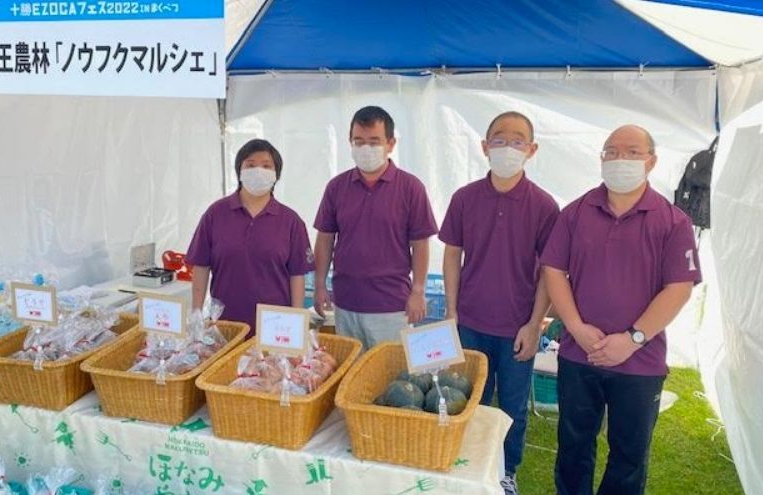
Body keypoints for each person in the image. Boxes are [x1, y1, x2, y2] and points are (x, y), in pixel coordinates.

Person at [541, 125, 702, 495]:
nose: (619, 159)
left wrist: (633, 339)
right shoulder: (576, 212)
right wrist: (575, 327)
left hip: (640, 362)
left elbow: (679, 287)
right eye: (611, 152)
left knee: (629, 456)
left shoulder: (673, 221)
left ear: (651, 161)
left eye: (631, 152)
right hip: (579, 355)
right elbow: (553, 270)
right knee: (573, 446)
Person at [438, 111, 559, 495]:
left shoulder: (544, 206)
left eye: (518, 140)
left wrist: (535, 323)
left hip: (517, 328)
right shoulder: (465, 198)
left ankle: (507, 470)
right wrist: (452, 311)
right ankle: (467, 467)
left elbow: (549, 272)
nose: (509, 147)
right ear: (485, 147)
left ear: (532, 149)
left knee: (512, 408)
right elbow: (452, 254)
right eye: (500, 139)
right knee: (467, 400)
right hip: (471, 321)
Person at [313, 106, 438, 349]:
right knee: (352, 369)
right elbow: (325, 239)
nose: (366, 148)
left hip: (391, 305)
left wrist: (418, 291)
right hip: (346, 303)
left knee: (390, 370)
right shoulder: (336, 187)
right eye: (359, 141)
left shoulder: (411, 188)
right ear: (350, 142)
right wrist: (319, 286)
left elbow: (421, 244)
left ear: (390, 144)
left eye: (374, 141)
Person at [186, 139, 313, 336]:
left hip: (275, 327)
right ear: (239, 171)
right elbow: (201, 266)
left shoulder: (291, 221)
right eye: (250, 165)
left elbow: (297, 275)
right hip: (225, 325)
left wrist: (296, 320)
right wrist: (196, 313)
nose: (258, 171)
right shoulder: (216, 213)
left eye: (266, 166)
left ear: (276, 174)